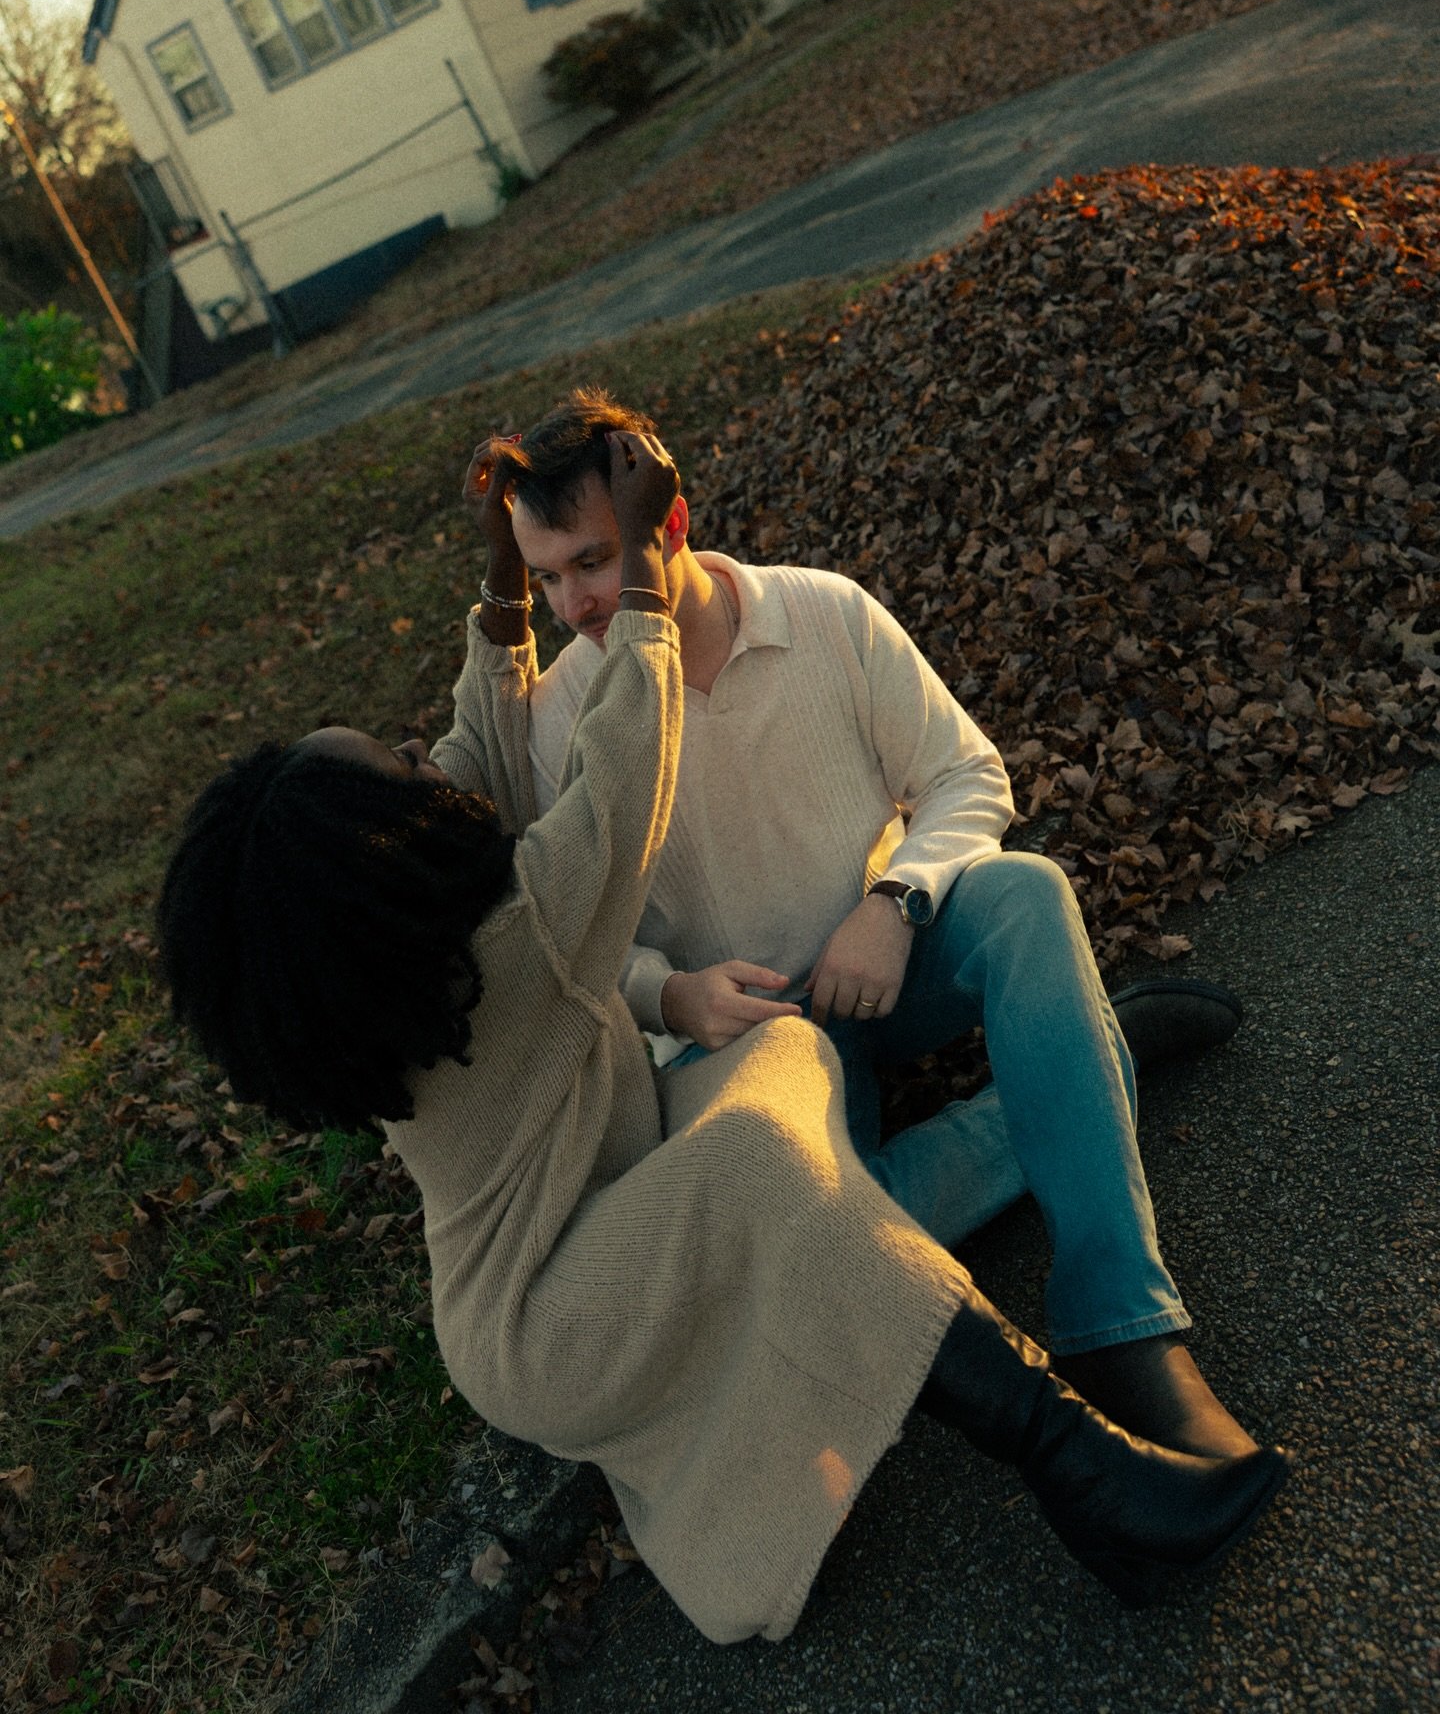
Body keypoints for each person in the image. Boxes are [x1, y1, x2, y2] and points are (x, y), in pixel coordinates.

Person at [158, 428, 1288, 1644]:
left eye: (598, 562)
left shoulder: (385, 959)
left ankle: (1093, 1235)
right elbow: (622, 772)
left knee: (795, 1085)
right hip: (555, 1309)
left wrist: (500, 595)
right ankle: (1084, 1463)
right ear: (378, 843)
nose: (418, 759)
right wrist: (635, 594)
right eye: (550, 576)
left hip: (634, 1169)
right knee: (773, 1179)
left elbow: (463, 755)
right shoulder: (519, 925)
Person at [435, 390, 1253, 1459]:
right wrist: (665, 994)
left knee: (1025, 895)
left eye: (593, 561)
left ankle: (1124, 1328)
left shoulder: (822, 612)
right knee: (840, 1257)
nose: (577, 604)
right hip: (752, 1043)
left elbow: (966, 775)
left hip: (885, 965)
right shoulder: (567, 713)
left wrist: (895, 900)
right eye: (548, 578)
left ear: (667, 525)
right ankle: (1085, 1069)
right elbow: (557, 927)